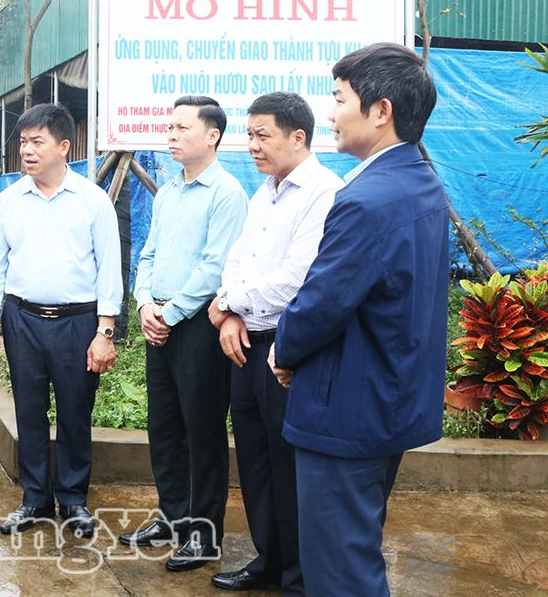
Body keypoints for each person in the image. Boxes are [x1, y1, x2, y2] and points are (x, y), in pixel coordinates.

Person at [269, 43, 447, 596]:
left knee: (340, 571)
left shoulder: (366, 199)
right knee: (354, 553)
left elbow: (321, 302)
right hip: (384, 399)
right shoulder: (419, 181)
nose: (330, 113)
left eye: (339, 99)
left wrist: (283, 350)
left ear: (381, 111)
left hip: (346, 411)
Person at [206, 92, 343, 594]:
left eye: (262, 134)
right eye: (251, 134)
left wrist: (228, 303)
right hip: (246, 341)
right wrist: (228, 311)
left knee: (289, 466)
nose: (252, 145)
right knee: (257, 459)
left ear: (298, 137)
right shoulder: (266, 189)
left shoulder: (324, 193)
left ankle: (298, 575)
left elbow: (297, 280)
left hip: (288, 348)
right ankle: (268, 558)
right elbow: (239, 256)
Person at [0, 103, 122, 539]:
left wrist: (105, 332)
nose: (27, 150)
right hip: (22, 319)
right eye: (23, 142)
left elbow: (109, 270)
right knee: (29, 411)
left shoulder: (92, 200)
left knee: (76, 412)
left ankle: (74, 499)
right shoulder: (8, 201)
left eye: (37, 141)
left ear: (63, 147)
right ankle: (35, 499)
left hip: (78, 323)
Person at [120, 95, 247, 571]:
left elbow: (216, 266)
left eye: (181, 128)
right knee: (165, 426)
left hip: (197, 326)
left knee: (203, 430)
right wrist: (145, 304)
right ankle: (172, 517)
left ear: (212, 135)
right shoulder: (170, 189)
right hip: (162, 321)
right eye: (168, 128)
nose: (170, 135)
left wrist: (169, 314)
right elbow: (148, 253)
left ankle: (204, 533)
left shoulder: (226, 193)